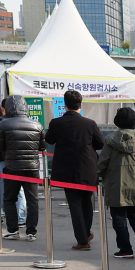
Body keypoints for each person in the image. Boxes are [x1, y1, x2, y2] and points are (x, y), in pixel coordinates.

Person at [46, 90, 104, 250]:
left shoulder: (56, 123)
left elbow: (49, 139)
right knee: (87, 202)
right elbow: (100, 143)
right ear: (81, 105)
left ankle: (83, 239)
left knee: (74, 204)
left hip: (66, 169)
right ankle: (85, 233)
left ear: (64, 105)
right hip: (88, 168)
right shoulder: (90, 123)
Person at [98, 107, 135, 259]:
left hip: (116, 185)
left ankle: (125, 249)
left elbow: (103, 163)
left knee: (119, 218)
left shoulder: (110, 140)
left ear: (117, 122)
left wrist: (98, 176)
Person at [0, 95, 44, 241]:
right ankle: (31, 232)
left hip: (12, 166)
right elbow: (43, 145)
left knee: (9, 199)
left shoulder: (3, 124)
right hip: (32, 167)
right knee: (32, 200)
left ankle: (13, 230)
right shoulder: (36, 124)